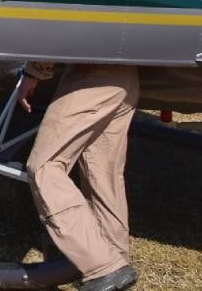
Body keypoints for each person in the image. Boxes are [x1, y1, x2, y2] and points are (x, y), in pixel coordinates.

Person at [18, 60, 140, 290]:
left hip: (90, 74)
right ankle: (114, 255)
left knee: (44, 167)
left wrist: (33, 72)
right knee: (103, 174)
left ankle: (103, 267)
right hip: (125, 76)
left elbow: (56, 29)